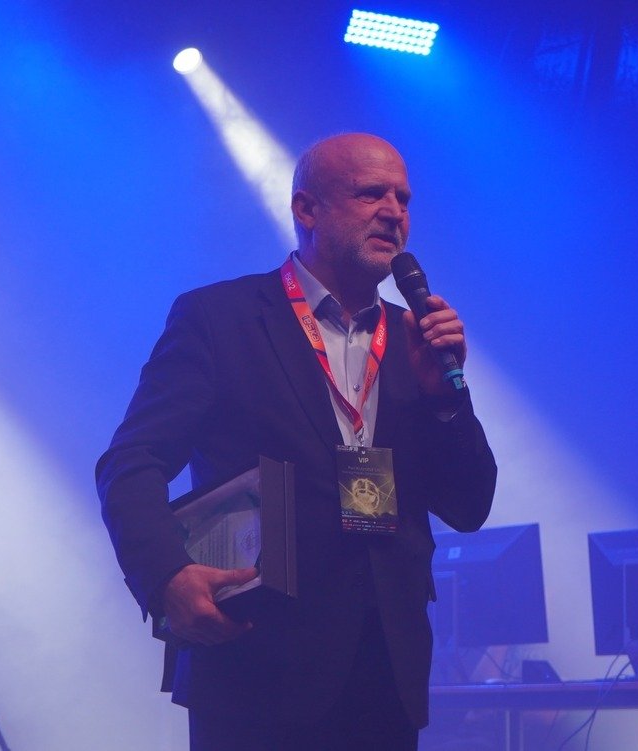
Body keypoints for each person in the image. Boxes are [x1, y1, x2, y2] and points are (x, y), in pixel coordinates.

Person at [97, 133, 497, 750]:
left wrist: (445, 398)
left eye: (404, 198)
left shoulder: (412, 336)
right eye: (371, 194)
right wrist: (166, 575)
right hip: (255, 665)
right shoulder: (219, 318)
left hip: (384, 673)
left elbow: (469, 507)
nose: (394, 212)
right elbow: (131, 461)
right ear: (307, 209)